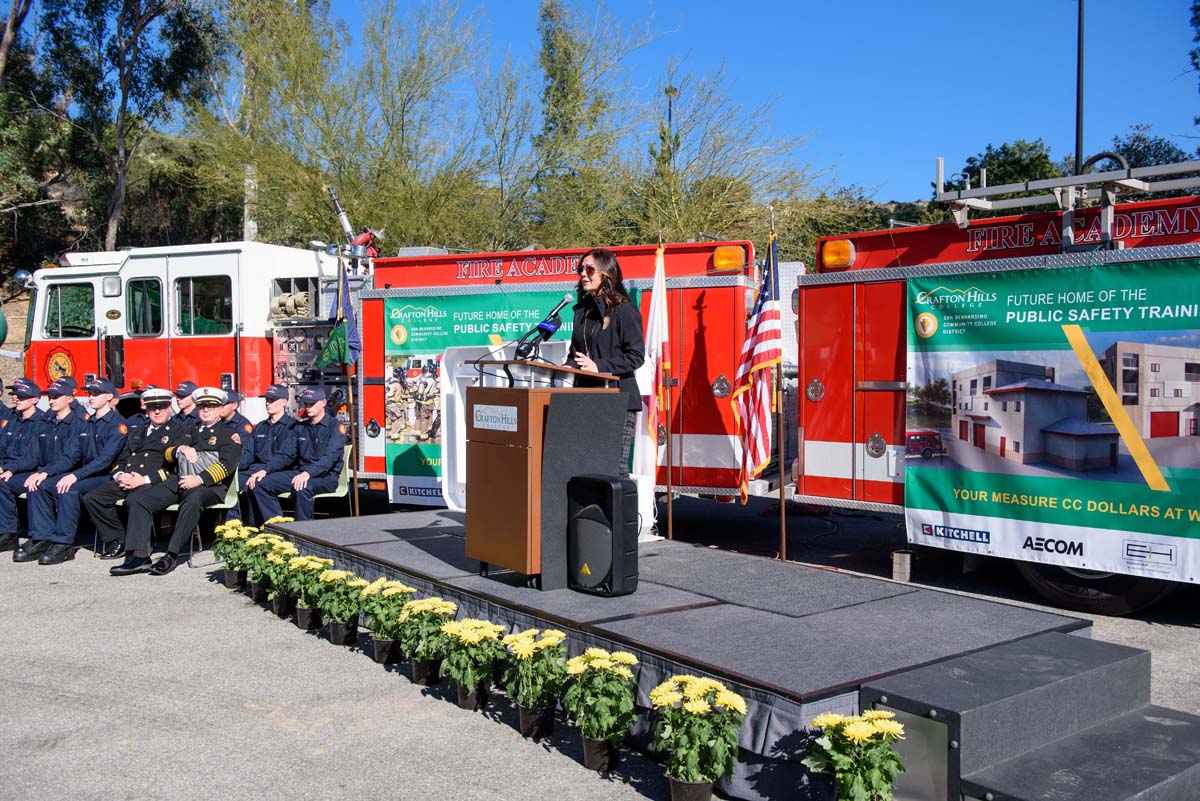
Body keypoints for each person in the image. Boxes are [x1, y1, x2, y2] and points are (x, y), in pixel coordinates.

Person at [107, 387, 242, 577]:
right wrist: (180, 449)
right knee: (138, 499)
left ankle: (172, 555)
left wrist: (199, 479)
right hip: (181, 480)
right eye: (202, 406)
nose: (205, 410)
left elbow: (227, 465)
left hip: (210, 486)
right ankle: (139, 556)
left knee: (192, 500)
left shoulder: (228, 434)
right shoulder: (189, 430)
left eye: (211, 407)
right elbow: (167, 453)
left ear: (220, 409)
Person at [24, 378, 128, 565]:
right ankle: (42, 537)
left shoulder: (117, 425)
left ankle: (63, 544)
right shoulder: (87, 423)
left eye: (96, 394)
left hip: (107, 476)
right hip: (85, 474)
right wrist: (46, 473)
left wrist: (74, 476)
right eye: (90, 393)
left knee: (69, 490)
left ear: (109, 397)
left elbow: (104, 461)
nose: (91, 397)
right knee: (40, 485)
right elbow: (71, 456)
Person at [83, 388, 190, 560]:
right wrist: (119, 475)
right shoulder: (137, 431)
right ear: (146, 409)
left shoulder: (179, 431)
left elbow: (175, 469)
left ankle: (137, 554)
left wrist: (144, 480)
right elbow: (121, 459)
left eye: (162, 407)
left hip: (154, 483)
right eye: (152, 408)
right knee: (93, 498)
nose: (157, 412)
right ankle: (118, 540)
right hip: (128, 479)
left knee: (135, 500)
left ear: (169, 407)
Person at [567, 248, 646, 477]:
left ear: (607, 274)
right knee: (588, 469)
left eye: (589, 269)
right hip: (585, 398)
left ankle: (621, 503)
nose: (583, 273)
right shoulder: (582, 312)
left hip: (617, 400)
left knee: (614, 471)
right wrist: (568, 366)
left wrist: (599, 367)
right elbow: (577, 354)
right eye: (580, 269)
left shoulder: (624, 309)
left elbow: (636, 356)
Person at [11, 378, 87, 564]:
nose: (52, 401)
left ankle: (63, 544)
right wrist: (10, 469)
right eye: (50, 397)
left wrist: (45, 472)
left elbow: (71, 457)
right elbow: (33, 455)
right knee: (34, 484)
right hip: (49, 471)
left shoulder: (78, 423)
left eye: (56, 397)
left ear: (70, 399)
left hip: (68, 473)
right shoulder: (47, 422)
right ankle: (41, 538)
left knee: (57, 488)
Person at [251, 386, 347, 521]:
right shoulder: (301, 427)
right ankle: (278, 525)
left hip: (326, 476)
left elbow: (329, 459)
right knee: (261, 483)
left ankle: (302, 530)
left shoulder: (335, 427)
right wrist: (265, 470)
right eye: (306, 403)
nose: (308, 407)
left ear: (323, 403)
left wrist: (308, 473)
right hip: (300, 473)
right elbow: (286, 455)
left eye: (312, 403)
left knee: (302, 487)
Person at [237, 384, 297, 524]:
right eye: (267, 400)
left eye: (272, 400)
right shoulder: (260, 427)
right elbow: (248, 454)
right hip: (256, 469)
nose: (268, 403)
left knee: (256, 483)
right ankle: (235, 527)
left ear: (284, 402)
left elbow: (286, 457)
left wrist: (265, 470)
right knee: (231, 482)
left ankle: (276, 527)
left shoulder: (293, 426)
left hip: (280, 471)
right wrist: (231, 469)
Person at [0, 380, 46, 553]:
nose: (16, 399)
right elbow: (2, 447)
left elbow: (32, 457)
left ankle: (8, 533)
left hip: (29, 470)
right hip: (8, 467)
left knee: (2, 484)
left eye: (22, 397)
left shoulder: (41, 422)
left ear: (35, 400)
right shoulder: (12, 418)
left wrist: (8, 469)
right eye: (15, 395)